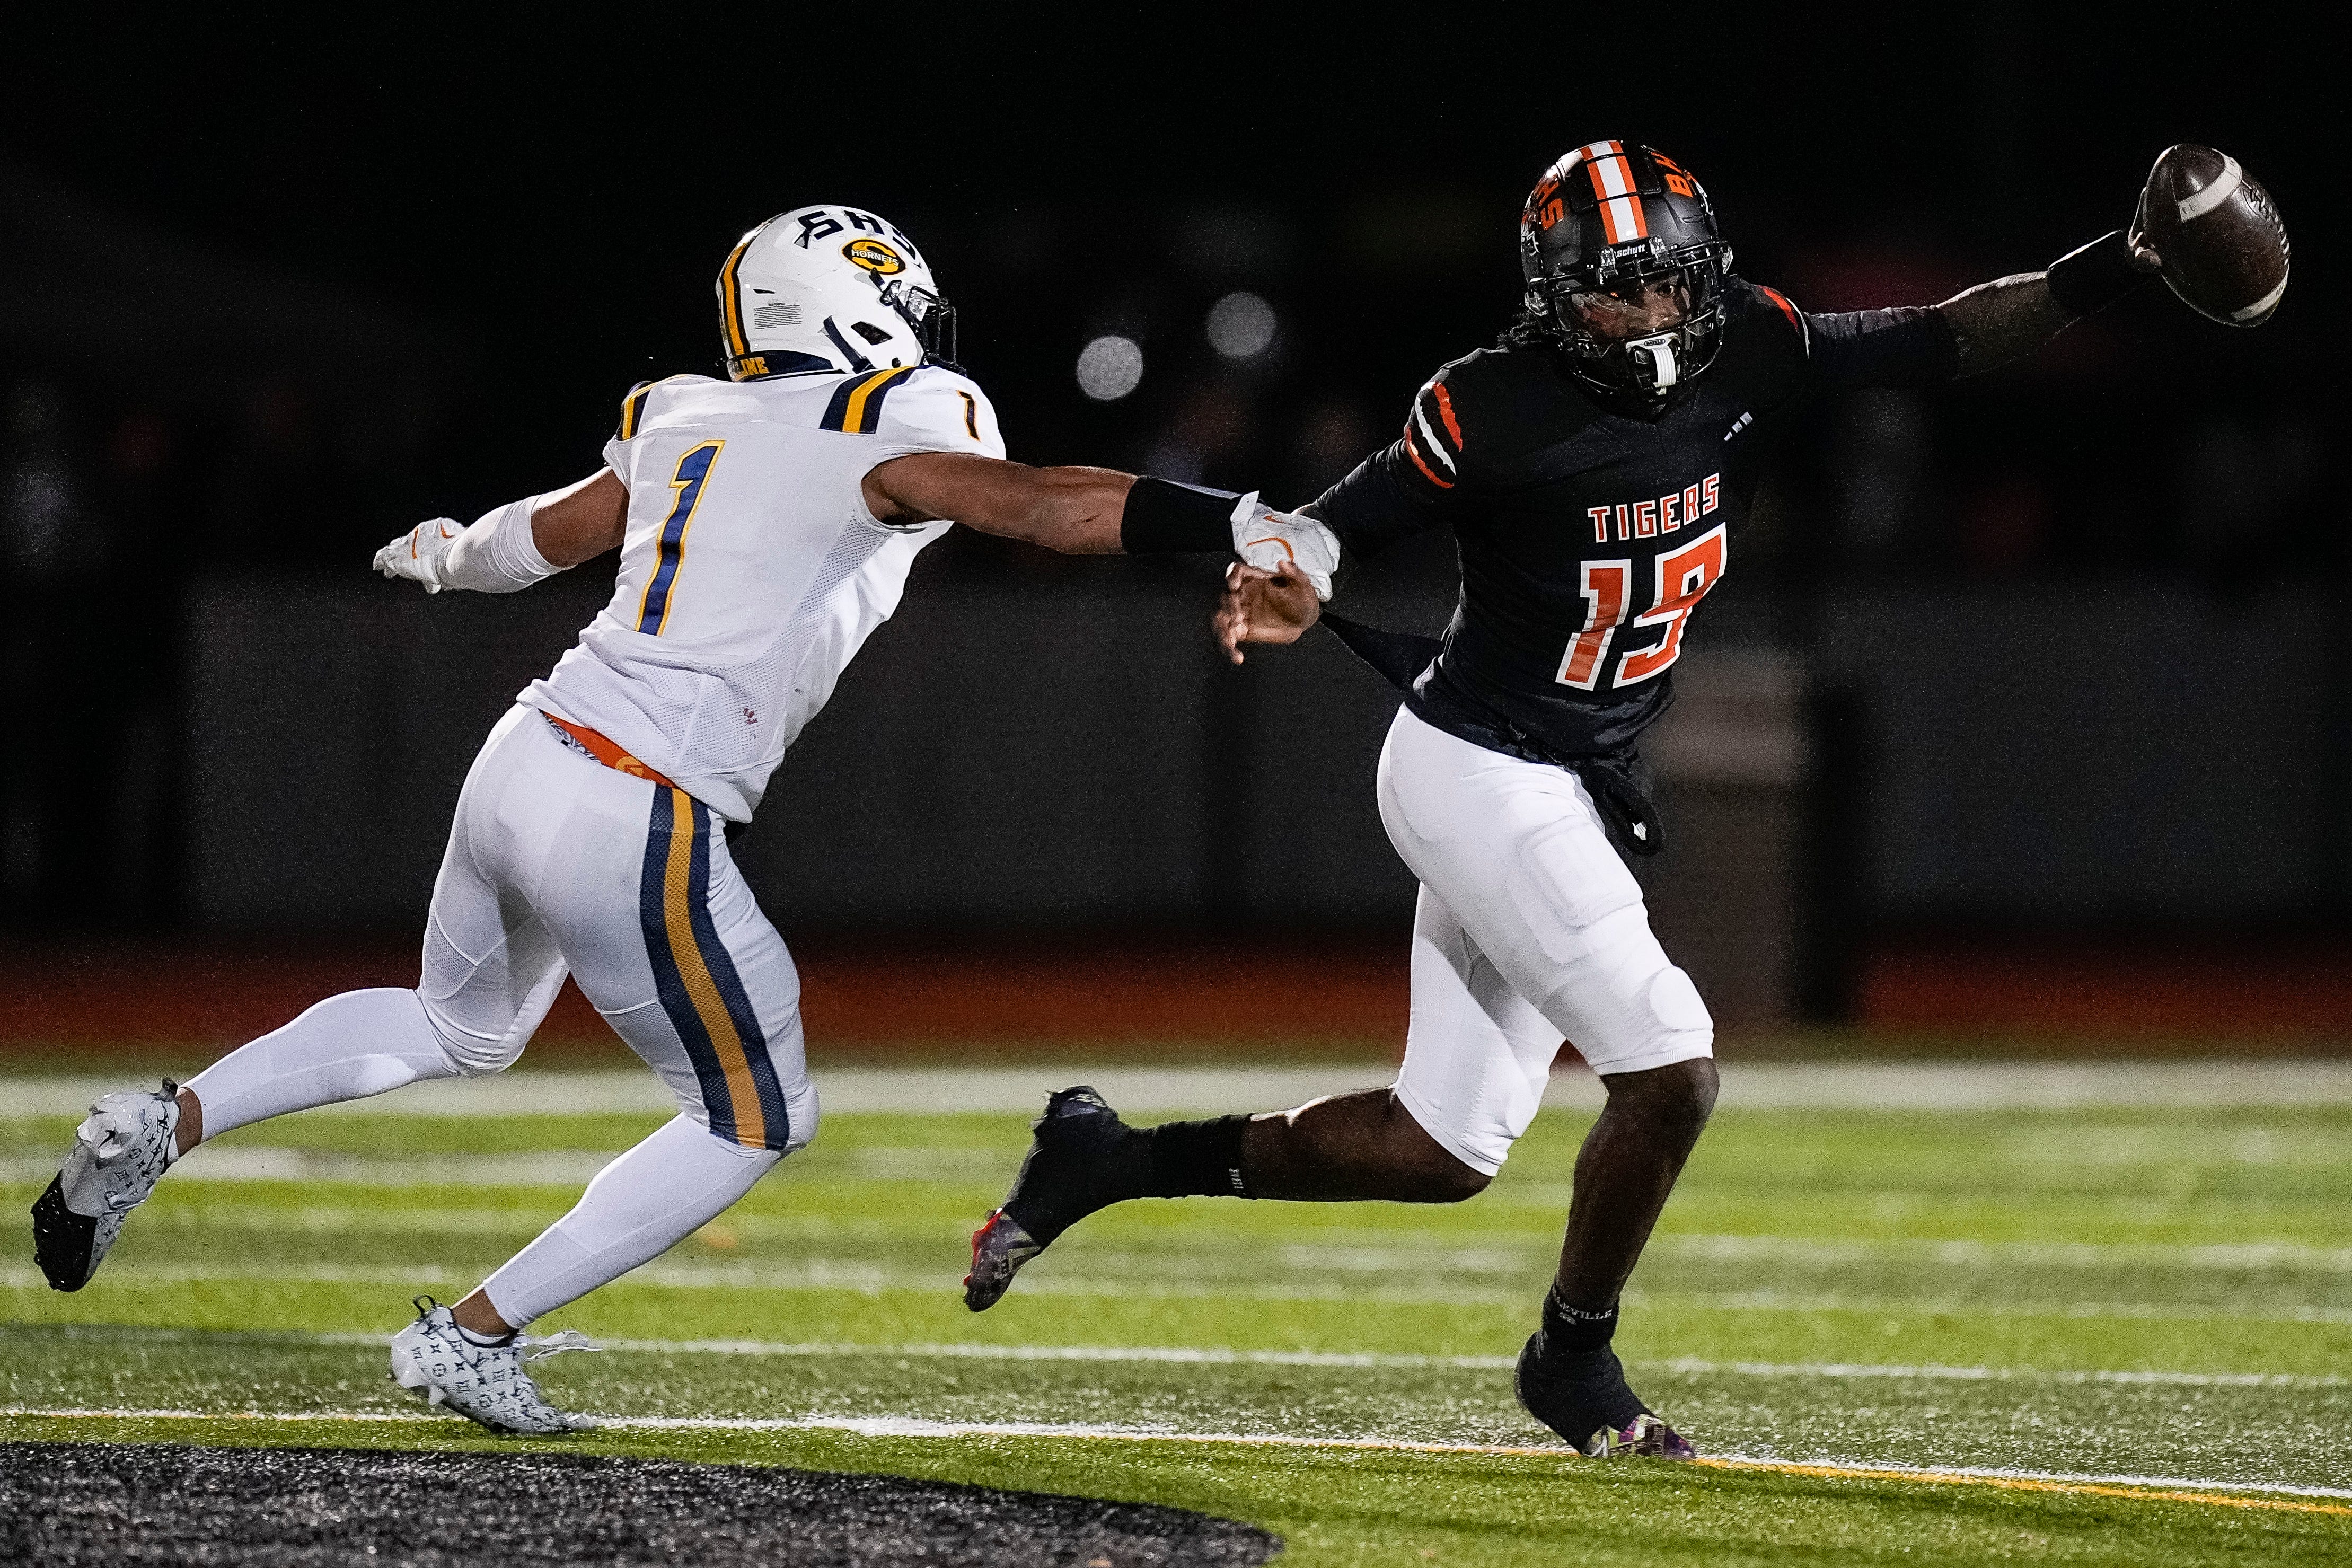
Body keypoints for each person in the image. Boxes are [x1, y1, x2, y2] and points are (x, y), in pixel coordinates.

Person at [29, 203, 1319, 1434]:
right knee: (756, 1116)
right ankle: (474, 1333)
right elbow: (1041, 505)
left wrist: (444, 547)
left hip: (528, 750)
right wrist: (1236, 522)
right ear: (860, 308)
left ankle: (161, 1122)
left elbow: (539, 539)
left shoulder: (682, 412)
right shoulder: (891, 418)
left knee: (451, 1025)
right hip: (636, 803)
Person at [964, 141, 2166, 1458]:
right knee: (1670, 1066)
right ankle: (1571, 1358)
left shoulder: (1754, 344)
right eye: (1613, 291)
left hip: (1574, 782)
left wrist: (2122, 263)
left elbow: (1940, 340)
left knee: (1440, 1151)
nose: (1650, 317)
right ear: (1549, 296)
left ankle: (1103, 1159)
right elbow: (1332, 520)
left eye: (1667, 286)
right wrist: (1283, 575)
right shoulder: (1490, 405)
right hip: (1474, 764)